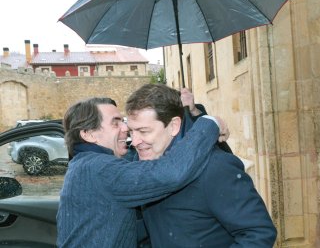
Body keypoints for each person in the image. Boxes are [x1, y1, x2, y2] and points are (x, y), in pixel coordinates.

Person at [57, 97, 228, 247]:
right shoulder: (99, 169)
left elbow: (112, 226)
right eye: (115, 122)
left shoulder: (83, 166)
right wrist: (209, 123)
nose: (125, 127)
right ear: (88, 134)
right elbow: (171, 173)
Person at [126, 84, 277, 247]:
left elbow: (258, 233)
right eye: (131, 132)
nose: (134, 142)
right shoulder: (140, 165)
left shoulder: (216, 167)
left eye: (144, 131)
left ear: (174, 126)